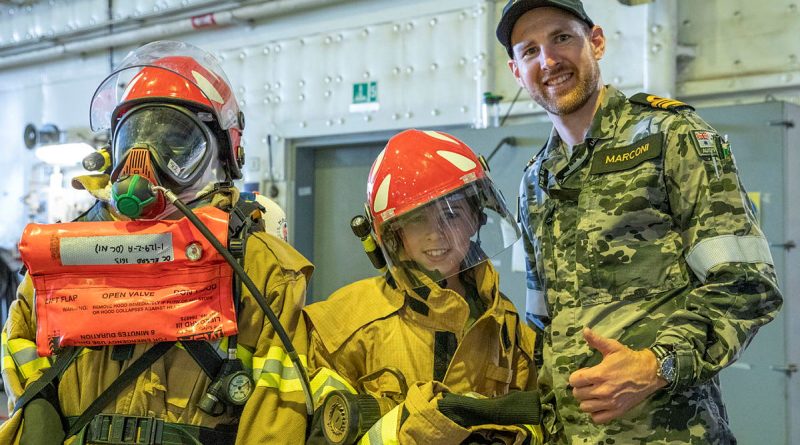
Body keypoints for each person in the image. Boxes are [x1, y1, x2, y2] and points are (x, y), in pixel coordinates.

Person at [496, 1, 783, 443]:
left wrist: (656, 365)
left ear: (596, 41)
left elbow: (747, 284)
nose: (549, 61)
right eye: (529, 50)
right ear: (517, 72)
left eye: (561, 38)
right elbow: (543, 322)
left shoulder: (669, 136)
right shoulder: (535, 180)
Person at [0, 41, 312, 444]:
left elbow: (278, 406)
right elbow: (20, 336)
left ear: (222, 153)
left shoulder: (254, 264)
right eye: (133, 140)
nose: (145, 163)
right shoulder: (69, 253)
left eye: (176, 143)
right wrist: (39, 409)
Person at [303, 129, 542, 444]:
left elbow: (538, 423)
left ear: (475, 219)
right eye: (418, 220)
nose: (436, 234)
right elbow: (323, 433)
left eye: (452, 214)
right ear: (393, 233)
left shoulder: (507, 329)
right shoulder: (340, 327)